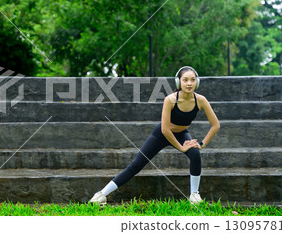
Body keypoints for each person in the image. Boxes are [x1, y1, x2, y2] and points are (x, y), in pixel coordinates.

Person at [89, 66, 220, 205]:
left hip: (182, 134)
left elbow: (216, 125)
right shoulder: (170, 100)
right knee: (136, 165)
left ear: (197, 82)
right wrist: (181, 148)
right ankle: (101, 195)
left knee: (194, 154)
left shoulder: (200, 100)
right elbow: (165, 130)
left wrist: (201, 144)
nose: (189, 83)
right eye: (185, 80)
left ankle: (194, 195)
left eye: (193, 80)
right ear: (178, 82)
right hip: (161, 135)